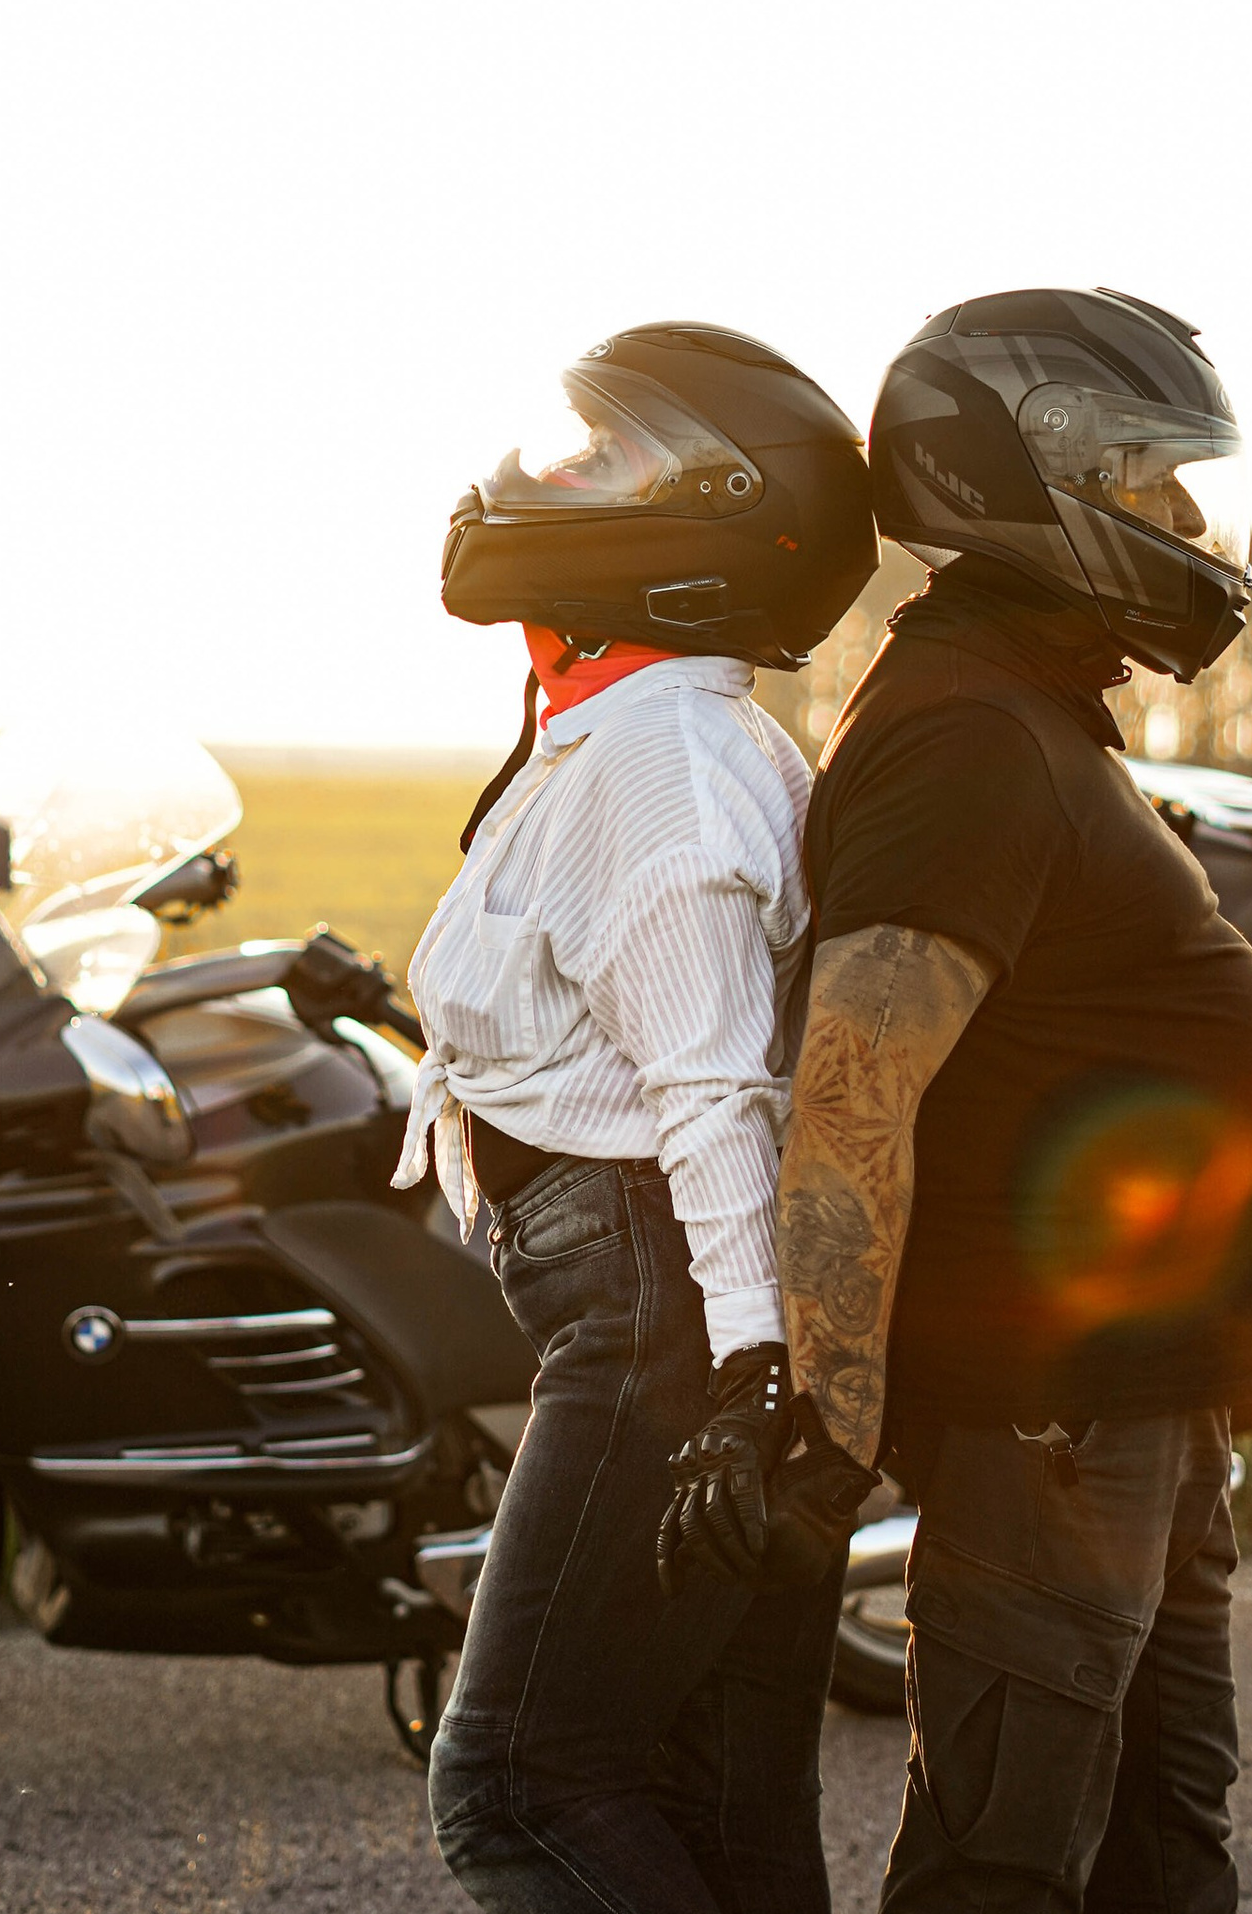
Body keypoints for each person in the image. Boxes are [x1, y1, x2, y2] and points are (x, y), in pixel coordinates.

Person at [660, 288, 1252, 1912]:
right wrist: (836, 1416)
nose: (1188, 517)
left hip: (1131, 1414)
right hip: (1055, 1421)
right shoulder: (965, 738)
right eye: (1153, 476)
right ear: (1034, 477)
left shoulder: (1025, 709)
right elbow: (852, 1098)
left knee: (1162, 1862)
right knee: (1000, 1879)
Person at [401, 320, 879, 1914]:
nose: (544, 474)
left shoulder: (663, 761)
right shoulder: (628, 735)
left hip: (668, 1318)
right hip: (675, 1310)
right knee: (719, 1807)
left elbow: (715, 1098)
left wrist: (748, 1378)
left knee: (522, 1790)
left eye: (596, 455)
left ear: (701, 513)